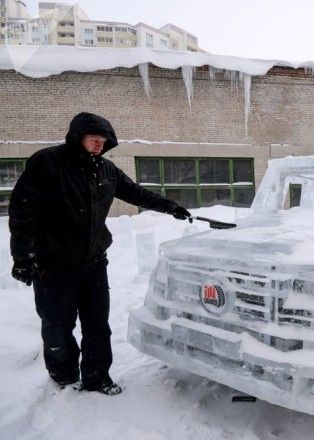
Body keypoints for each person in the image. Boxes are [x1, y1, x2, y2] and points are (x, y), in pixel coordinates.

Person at [9, 113, 192, 395]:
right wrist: (23, 258)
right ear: (77, 137)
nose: (98, 146)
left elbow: (136, 193)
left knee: (97, 324)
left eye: (102, 142)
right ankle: (63, 375)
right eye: (94, 140)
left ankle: (97, 377)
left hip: (94, 262)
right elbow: (22, 210)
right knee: (57, 325)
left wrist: (171, 207)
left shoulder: (106, 170)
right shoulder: (48, 162)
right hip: (54, 263)